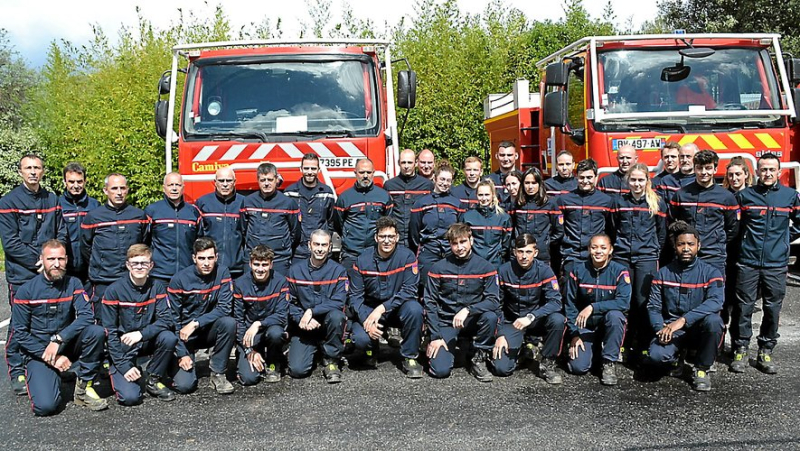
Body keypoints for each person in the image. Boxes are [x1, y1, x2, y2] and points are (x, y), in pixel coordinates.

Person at [11, 240, 107, 415]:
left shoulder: (74, 284)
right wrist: (52, 358)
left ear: (67, 259)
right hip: (40, 351)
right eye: (51, 259)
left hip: (65, 342)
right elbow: (20, 334)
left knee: (96, 332)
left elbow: (87, 316)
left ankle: (83, 386)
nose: (57, 264)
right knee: (45, 407)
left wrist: (59, 339)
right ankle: (51, 372)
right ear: (42, 259)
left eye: (61, 259)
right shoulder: (26, 291)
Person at [0, 153, 67, 395]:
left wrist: (54, 261)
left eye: (37, 168)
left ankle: (49, 363)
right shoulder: (8, 202)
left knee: (52, 318)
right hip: (23, 274)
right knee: (20, 324)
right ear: (20, 172)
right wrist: (38, 262)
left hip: (50, 271)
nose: (33, 172)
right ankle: (17, 370)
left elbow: (61, 232)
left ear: (43, 171)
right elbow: (11, 242)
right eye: (28, 168)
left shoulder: (52, 198)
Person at [730, 153, 800, 374]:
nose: (768, 173)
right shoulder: (745, 196)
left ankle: (765, 350)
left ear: (779, 172)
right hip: (748, 262)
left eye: (772, 170)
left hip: (776, 263)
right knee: (743, 308)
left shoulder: (790, 196)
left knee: (772, 308)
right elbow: (734, 227)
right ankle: (740, 349)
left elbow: (799, 222)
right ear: (757, 172)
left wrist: (783, 242)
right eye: (764, 170)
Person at [644, 221, 724, 391]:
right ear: (675, 246)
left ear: (698, 246)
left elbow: (716, 301)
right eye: (681, 244)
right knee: (656, 357)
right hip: (672, 329)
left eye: (690, 244)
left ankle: (702, 369)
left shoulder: (711, 272)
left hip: (697, 327)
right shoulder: (663, 273)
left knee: (715, 322)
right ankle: (675, 358)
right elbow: (653, 307)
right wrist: (660, 329)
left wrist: (683, 320)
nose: (686, 248)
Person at [101, 244, 177, 404]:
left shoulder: (157, 287)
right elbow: (110, 333)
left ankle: (153, 378)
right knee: (130, 398)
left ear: (151, 265)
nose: (140, 267)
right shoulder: (113, 291)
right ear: (128, 265)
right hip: (123, 347)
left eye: (144, 263)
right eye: (135, 263)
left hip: (145, 340)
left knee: (168, 337)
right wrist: (123, 366)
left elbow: (166, 320)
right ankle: (116, 372)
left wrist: (141, 334)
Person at [424, 223, 500, 382]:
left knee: (490, 316)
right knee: (440, 371)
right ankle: (438, 345)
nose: (459, 247)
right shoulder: (438, 268)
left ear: (471, 240)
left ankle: (479, 357)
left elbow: (493, 301)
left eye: (463, 242)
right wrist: (435, 336)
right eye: (454, 243)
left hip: (473, 320)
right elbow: (430, 302)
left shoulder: (485, 267)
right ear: (450, 244)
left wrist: (468, 310)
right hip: (447, 322)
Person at [348, 217, 424, 377]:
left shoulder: (407, 257)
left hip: (396, 309)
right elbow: (355, 297)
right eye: (383, 236)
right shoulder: (362, 260)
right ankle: (371, 350)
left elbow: (410, 290)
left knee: (415, 309)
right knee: (361, 339)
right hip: (370, 310)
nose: (387, 241)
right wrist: (366, 319)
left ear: (397, 237)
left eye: (391, 236)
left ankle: (409, 356)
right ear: (376, 238)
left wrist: (382, 309)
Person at [491, 234, 565, 384]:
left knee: (558, 320)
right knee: (502, 369)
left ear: (535, 253)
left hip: (535, 320)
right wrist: (500, 333)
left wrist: (532, 316)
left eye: (528, 252)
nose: (524, 256)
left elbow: (556, 302)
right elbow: (495, 304)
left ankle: (548, 363)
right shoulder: (503, 270)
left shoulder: (544, 270)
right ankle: (521, 350)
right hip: (513, 322)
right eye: (520, 251)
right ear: (514, 252)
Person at [610, 163, 667, 359]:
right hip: (622, 256)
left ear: (647, 181)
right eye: (633, 179)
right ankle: (623, 343)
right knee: (624, 301)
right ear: (628, 181)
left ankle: (644, 343)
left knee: (643, 302)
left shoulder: (657, 203)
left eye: (640, 180)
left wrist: (653, 250)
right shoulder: (618, 202)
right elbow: (612, 228)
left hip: (646, 258)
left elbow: (661, 232)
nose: (636, 183)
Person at [168, 237, 236, 395]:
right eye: (202, 258)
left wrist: (196, 323)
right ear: (194, 258)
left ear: (216, 257)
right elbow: (172, 321)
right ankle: (174, 362)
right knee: (184, 386)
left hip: (206, 329)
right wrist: (181, 353)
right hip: (184, 337)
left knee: (229, 323)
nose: (206, 263)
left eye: (210, 258)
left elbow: (225, 308)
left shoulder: (223, 272)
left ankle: (218, 372)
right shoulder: (179, 280)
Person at [564, 234, 631, 386]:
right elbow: (570, 304)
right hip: (585, 328)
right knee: (578, 368)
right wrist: (574, 334)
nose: (598, 251)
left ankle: (608, 362)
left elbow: (623, 303)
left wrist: (593, 307)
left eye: (603, 248)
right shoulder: (578, 270)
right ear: (589, 249)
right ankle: (592, 353)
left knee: (616, 316)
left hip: (606, 326)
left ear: (610, 250)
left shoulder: (620, 271)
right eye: (594, 247)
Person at [81, 173, 149, 320]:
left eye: (122, 188)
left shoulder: (139, 216)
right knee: (103, 323)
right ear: (106, 191)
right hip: (103, 280)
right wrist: (101, 263)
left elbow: (144, 244)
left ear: (127, 190)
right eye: (114, 188)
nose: (119, 192)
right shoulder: (93, 217)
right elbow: (86, 247)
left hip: (130, 279)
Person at [285, 229, 348, 383]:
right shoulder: (295, 271)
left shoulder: (338, 271)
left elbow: (339, 301)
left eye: (324, 245)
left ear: (330, 247)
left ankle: (331, 360)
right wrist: (301, 317)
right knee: (297, 371)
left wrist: (312, 311)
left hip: (328, 325)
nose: (320, 248)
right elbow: (288, 302)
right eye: (316, 244)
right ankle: (313, 350)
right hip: (304, 327)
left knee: (337, 316)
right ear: (309, 246)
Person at [669, 150, 739, 274]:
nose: (704, 172)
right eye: (700, 168)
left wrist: (718, 241)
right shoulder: (681, 195)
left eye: (708, 168)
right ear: (694, 169)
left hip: (714, 256)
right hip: (687, 254)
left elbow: (732, 228)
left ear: (715, 169)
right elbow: (671, 223)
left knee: (714, 292)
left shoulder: (726, 197)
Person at [233, 245, 289, 385]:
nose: (260, 269)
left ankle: (273, 363)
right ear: (250, 264)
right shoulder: (240, 284)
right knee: (249, 379)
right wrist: (248, 350)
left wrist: (258, 324)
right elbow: (238, 320)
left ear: (271, 265)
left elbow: (282, 315)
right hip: (249, 335)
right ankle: (247, 356)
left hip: (270, 329)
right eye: (256, 264)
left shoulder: (281, 281)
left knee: (276, 333)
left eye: (264, 265)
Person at [242, 162, 301, 277]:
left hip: (279, 259)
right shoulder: (248, 202)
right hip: (254, 259)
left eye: (270, 179)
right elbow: (243, 229)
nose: (266, 183)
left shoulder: (288, 203)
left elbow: (295, 233)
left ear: (276, 180)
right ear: (257, 180)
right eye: (263, 180)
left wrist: (282, 247)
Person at [557, 159, 613, 276]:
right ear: (576, 177)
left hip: (595, 256)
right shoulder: (564, 200)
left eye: (589, 177)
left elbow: (611, 228)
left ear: (595, 177)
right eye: (582, 177)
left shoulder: (606, 201)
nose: (585, 181)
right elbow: (558, 227)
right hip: (571, 255)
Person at [408, 163, 464, 281]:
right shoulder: (421, 203)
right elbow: (414, 231)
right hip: (428, 251)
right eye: (442, 179)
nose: (445, 183)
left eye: (448, 180)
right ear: (434, 178)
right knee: (426, 285)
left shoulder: (456, 204)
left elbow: (461, 229)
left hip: (450, 251)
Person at [334, 158, 392, 269]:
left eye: (368, 172)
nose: (365, 176)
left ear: (373, 173)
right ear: (355, 173)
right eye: (361, 172)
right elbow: (337, 223)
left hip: (375, 252)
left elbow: (388, 224)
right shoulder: (344, 197)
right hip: (351, 254)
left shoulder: (384, 196)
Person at [144, 173, 202, 282]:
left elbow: (199, 242)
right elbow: (144, 242)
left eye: (178, 185)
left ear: (183, 188)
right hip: (159, 275)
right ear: (164, 188)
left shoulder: (193, 212)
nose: (174, 188)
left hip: (187, 273)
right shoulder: (152, 211)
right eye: (170, 185)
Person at [196, 167, 246, 277]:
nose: (225, 184)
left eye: (229, 181)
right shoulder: (203, 202)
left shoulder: (244, 203)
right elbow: (197, 235)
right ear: (215, 182)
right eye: (221, 181)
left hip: (237, 270)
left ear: (234, 182)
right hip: (209, 268)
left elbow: (247, 234)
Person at [284, 153, 336, 260]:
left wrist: (325, 240)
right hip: (297, 251)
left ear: (318, 170)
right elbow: (286, 222)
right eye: (306, 168)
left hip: (320, 250)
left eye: (313, 168)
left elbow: (331, 221)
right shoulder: (290, 192)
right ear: (301, 169)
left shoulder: (327, 192)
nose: (310, 172)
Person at [58, 162, 100, 282]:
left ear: (85, 181)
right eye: (71, 182)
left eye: (79, 181)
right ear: (64, 182)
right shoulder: (57, 205)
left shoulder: (94, 205)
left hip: (89, 266)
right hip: (66, 266)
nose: (76, 185)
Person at [383, 149, 433, 248]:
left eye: (409, 162)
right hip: (397, 238)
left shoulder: (427, 186)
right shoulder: (389, 185)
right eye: (403, 162)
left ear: (415, 163)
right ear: (398, 163)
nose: (406, 166)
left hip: (419, 238)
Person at [512, 167, 563, 266]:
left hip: (542, 255)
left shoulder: (550, 203)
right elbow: (511, 228)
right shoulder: (517, 204)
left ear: (539, 184)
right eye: (527, 183)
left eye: (534, 183)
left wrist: (546, 243)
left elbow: (559, 230)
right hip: (521, 255)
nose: (530, 187)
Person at [460, 180, 512, 267]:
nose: (484, 198)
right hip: (474, 264)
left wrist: (499, 255)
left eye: (487, 195)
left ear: (493, 195)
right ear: (476, 195)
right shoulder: (468, 217)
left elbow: (506, 243)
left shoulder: (504, 217)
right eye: (480, 195)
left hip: (495, 264)